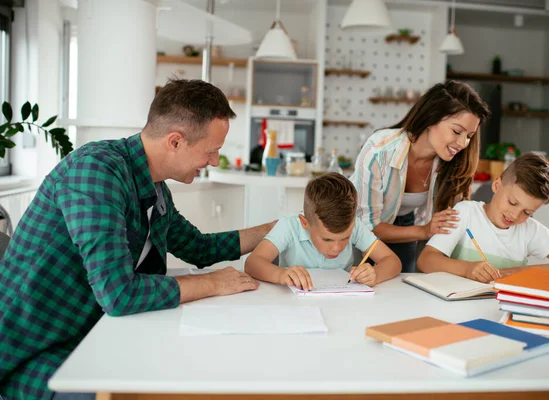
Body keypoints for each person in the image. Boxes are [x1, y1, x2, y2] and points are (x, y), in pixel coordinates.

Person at [0, 79, 274, 400]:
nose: (214, 161)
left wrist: (276, 229)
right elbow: (119, 294)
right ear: (175, 141)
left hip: (93, 333)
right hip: (35, 352)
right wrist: (212, 284)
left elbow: (198, 247)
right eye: (211, 151)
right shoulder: (96, 172)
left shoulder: (154, 186)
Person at [351, 80, 491, 273]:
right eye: (457, 131)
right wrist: (424, 230)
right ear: (432, 118)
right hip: (357, 226)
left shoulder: (455, 165)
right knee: (362, 284)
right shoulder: (379, 150)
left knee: (403, 287)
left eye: (469, 136)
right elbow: (369, 226)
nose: (462, 143)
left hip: (406, 222)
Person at [417, 153, 549, 282]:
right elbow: (426, 260)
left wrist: (515, 272)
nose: (515, 215)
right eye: (512, 202)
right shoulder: (465, 213)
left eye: (527, 212)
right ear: (497, 185)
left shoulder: (529, 230)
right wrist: (467, 269)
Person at [245, 172, 401, 290]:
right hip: (295, 306)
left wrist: (375, 274)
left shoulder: (356, 225)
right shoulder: (289, 226)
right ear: (305, 222)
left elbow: (392, 261)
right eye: (327, 239)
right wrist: (281, 274)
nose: (336, 248)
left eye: (345, 238)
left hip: (342, 303)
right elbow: (252, 263)